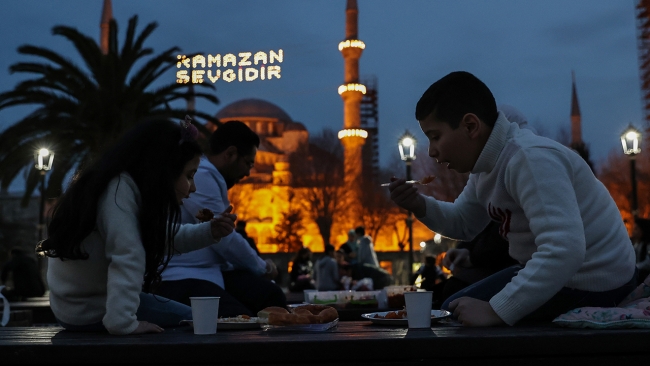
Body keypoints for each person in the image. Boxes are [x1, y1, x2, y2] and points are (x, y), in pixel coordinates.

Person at [388, 71, 637, 327]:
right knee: (452, 307)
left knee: (454, 319)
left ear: (470, 126)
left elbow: (564, 250)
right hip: (563, 273)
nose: (431, 151)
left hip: (595, 281)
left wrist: (496, 311)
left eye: (435, 136)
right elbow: (463, 222)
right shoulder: (487, 167)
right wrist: (419, 205)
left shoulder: (530, 159)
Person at [38, 117, 236, 335]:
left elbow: (161, 236)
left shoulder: (115, 185)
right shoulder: (118, 190)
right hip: (92, 310)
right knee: (198, 322)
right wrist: (123, 323)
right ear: (164, 169)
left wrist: (209, 231)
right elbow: (127, 256)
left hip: (83, 307)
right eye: (189, 176)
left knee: (196, 319)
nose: (193, 188)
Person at [154, 120, 285, 317]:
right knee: (239, 325)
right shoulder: (203, 175)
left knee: (269, 296)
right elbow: (226, 240)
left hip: (206, 274)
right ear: (230, 154)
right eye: (248, 163)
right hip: (182, 276)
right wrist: (262, 267)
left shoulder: (208, 176)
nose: (249, 173)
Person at [632, 217, 650, 282]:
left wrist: (636, 267)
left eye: (636, 229)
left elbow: (648, 263)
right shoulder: (636, 244)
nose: (633, 231)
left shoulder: (647, 245)